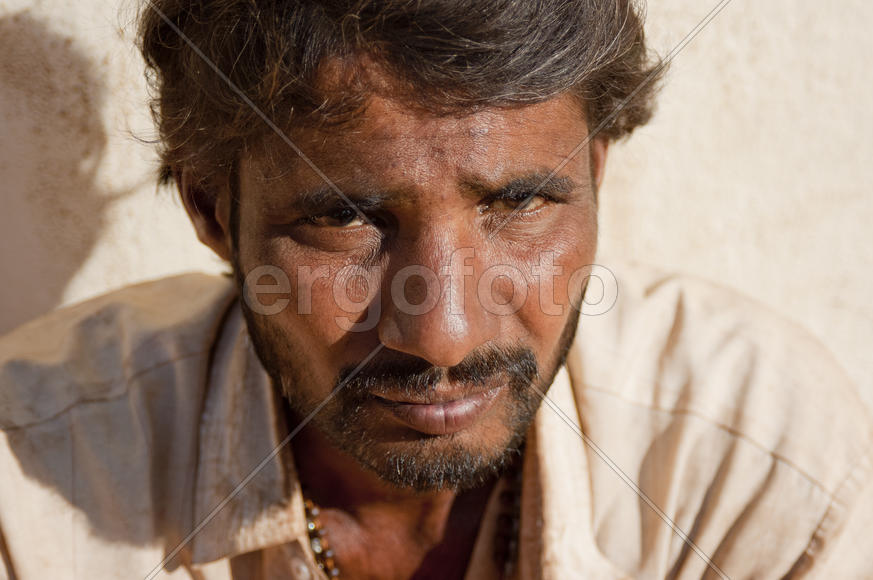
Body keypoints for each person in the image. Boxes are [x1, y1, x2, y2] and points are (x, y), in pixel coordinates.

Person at [1, 1, 871, 578]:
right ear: (212, 207)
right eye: (345, 217)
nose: (443, 335)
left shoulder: (752, 458)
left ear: (596, 176)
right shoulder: (33, 483)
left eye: (521, 201)